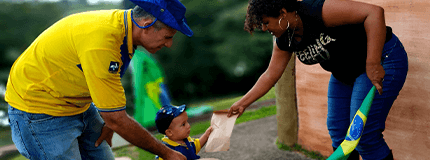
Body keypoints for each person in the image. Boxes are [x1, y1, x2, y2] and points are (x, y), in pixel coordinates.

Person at [6, 0, 194, 159]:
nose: (169, 44)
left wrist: (110, 118)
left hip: (76, 103)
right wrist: (168, 153)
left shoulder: (124, 30)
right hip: (40, 111)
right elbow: (117, 119)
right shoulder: (104, 42)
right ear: (145, 23)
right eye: (167, 37)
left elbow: (108, 91)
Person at [227, 0, 408, 160]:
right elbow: (269, 75)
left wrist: (373, 63)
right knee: (338, 132)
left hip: (381, 58)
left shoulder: (315, 11)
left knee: (363, 135)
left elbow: (374, 12)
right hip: (344, 73)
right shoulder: (284, 40)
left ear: (282, 13)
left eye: (266, 22)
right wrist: (243, 103)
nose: (265, 29)